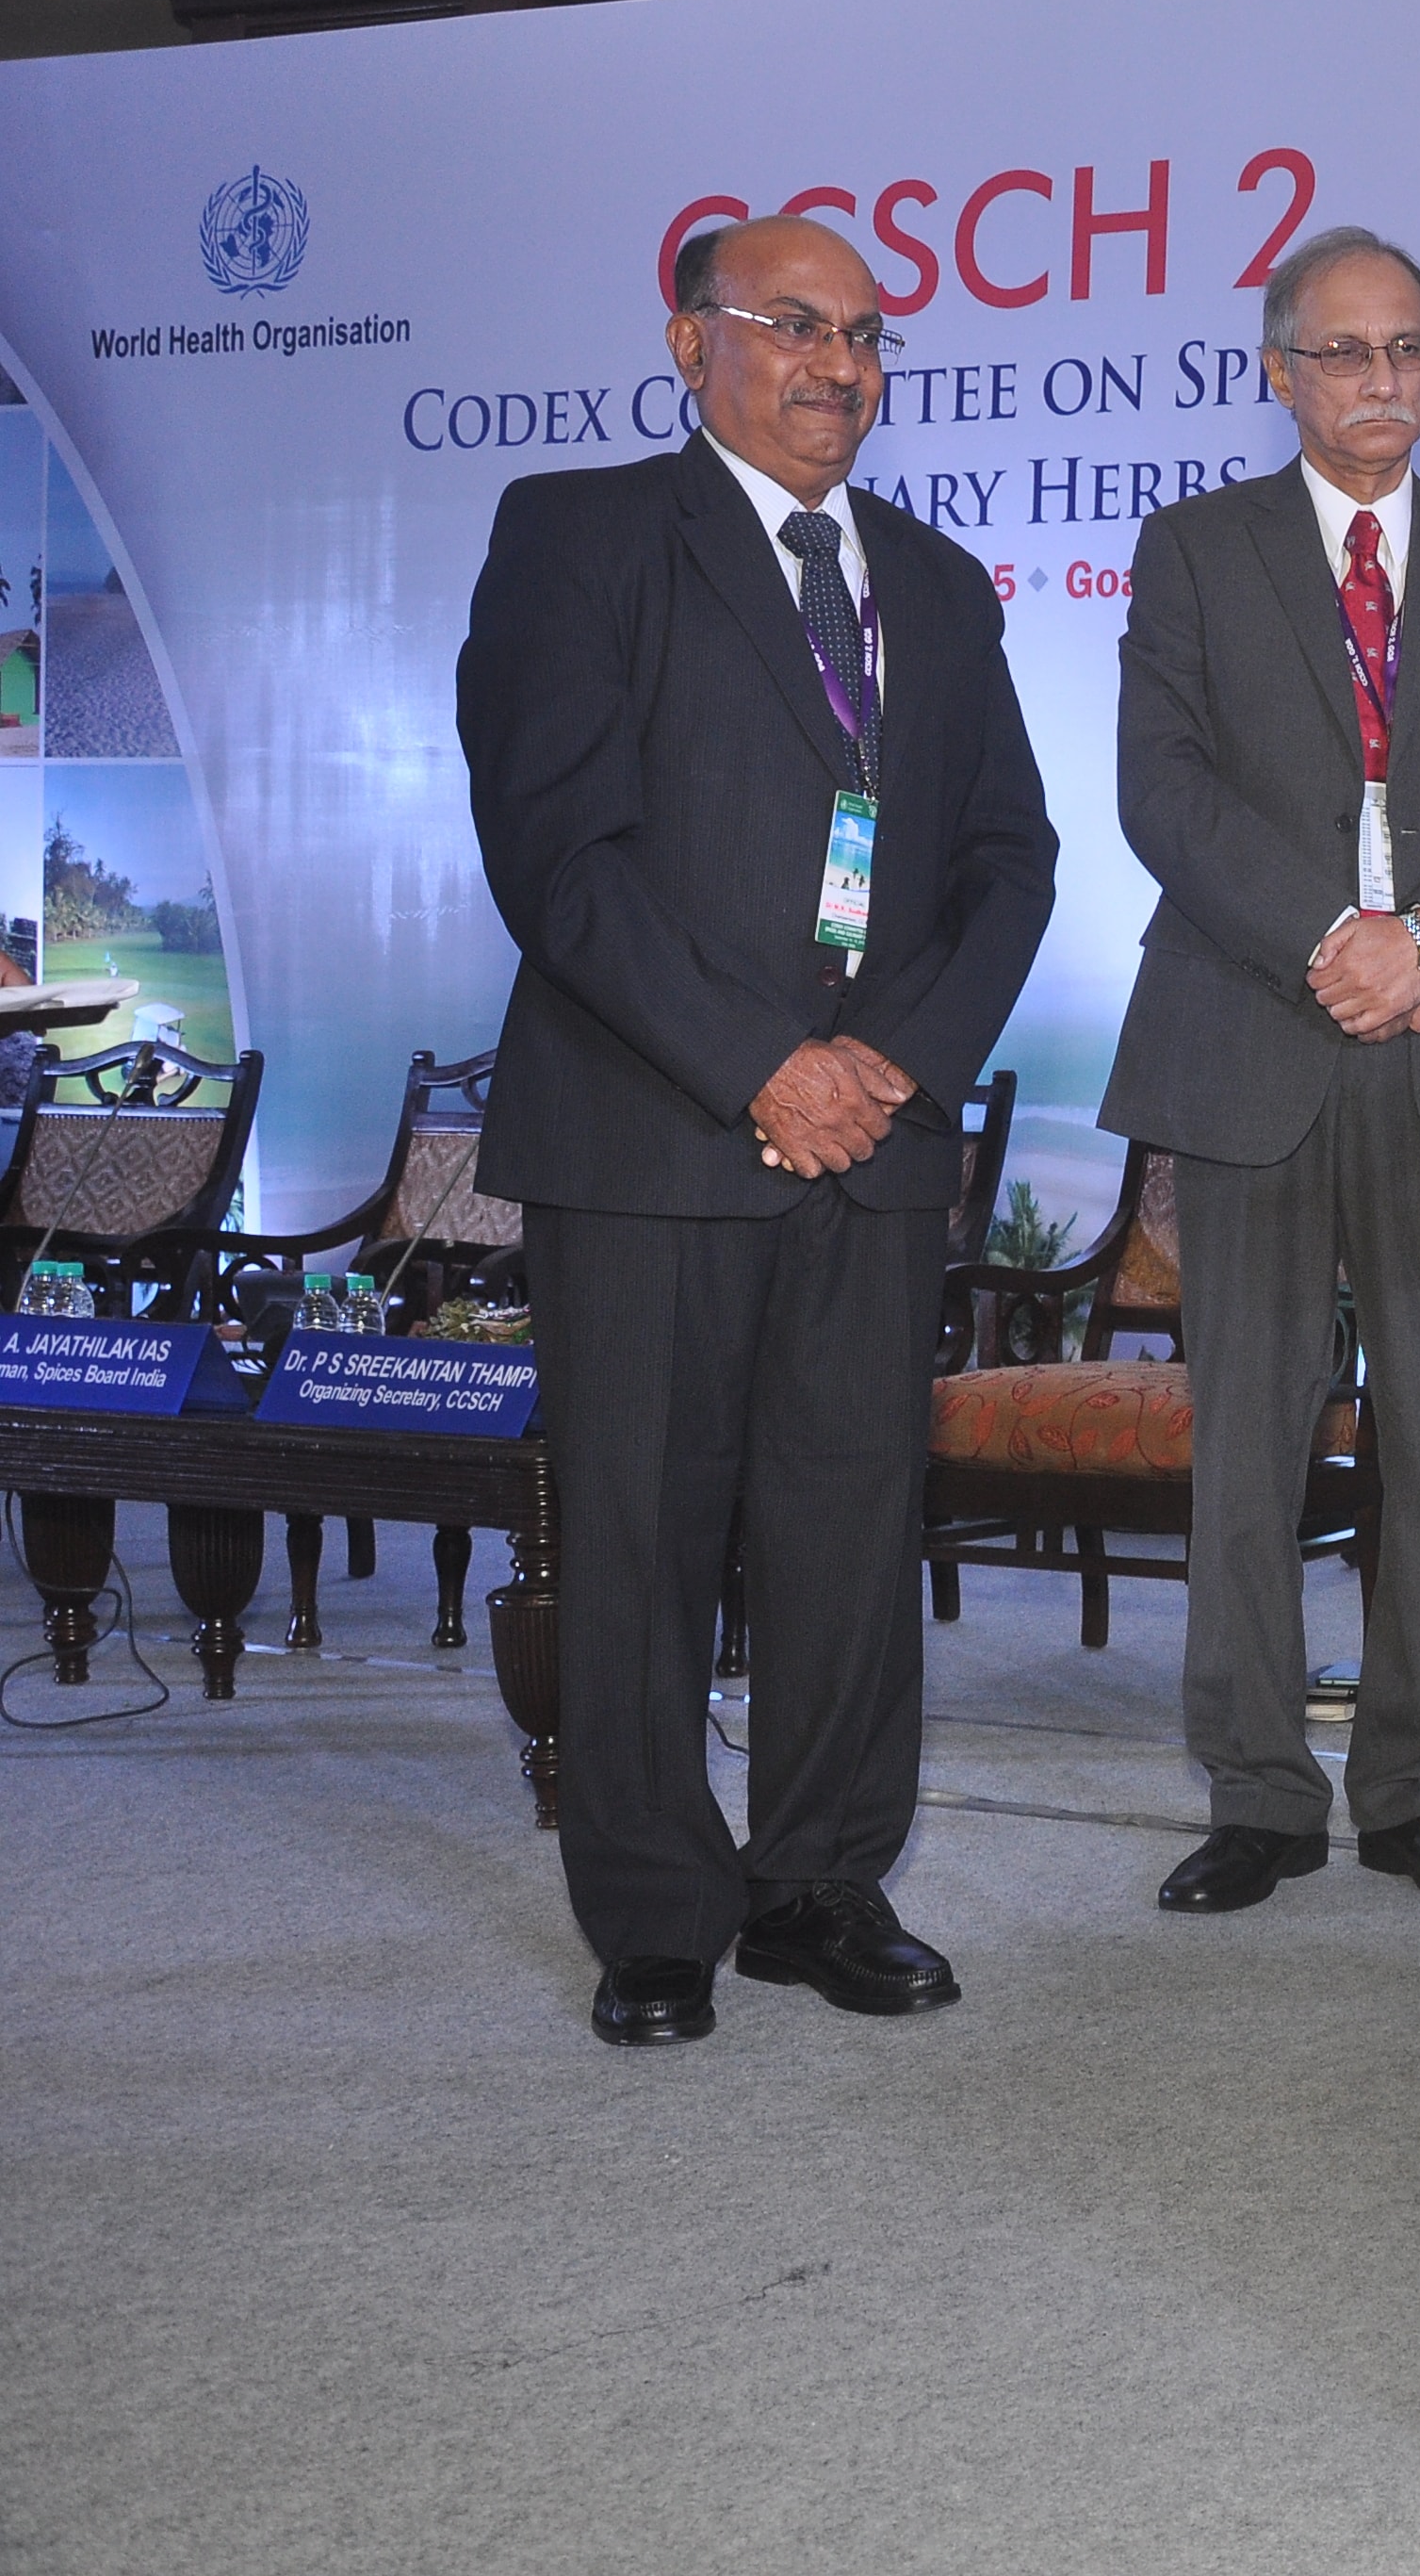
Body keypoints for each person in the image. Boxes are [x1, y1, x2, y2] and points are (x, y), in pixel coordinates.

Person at [461, 213, 1056, 2047]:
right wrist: (760, 1068)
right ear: (690, 341)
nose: (839, 365)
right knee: (639, 1537)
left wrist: (883, 1063)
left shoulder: (938, 585)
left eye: (866, 335)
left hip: (871, 1147)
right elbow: (560, 856)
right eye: (794, 324)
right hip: (650, 1134)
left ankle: (818, 1886)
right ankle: (655, 1915)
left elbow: (1008, 859)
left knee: (849, 1532)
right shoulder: (578, 534)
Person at [1104, 224, 1420, 1914]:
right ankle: (1254, 1792)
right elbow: (1161, 790)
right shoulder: (1196, 550)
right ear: (1279, 371)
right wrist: (1332, 938)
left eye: (1409, 349)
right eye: (1346, 352)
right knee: (1245, 1436)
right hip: (1256, 1032)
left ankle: (1419, 1793)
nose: (1383, 381)